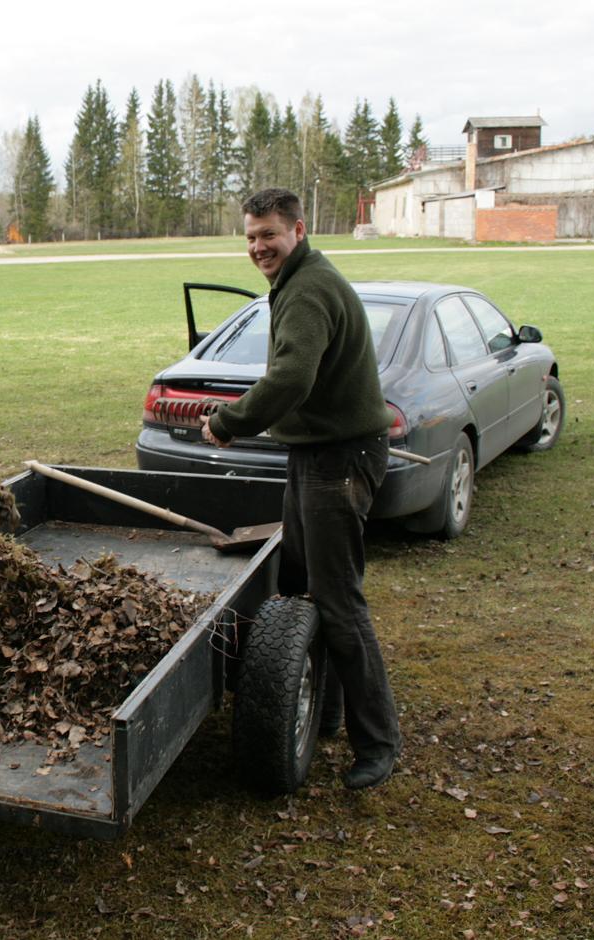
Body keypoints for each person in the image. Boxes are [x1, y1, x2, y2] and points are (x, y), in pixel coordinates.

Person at [201, 188, 401, 790]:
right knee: (298, 584)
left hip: (340, 460)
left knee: (339, 601)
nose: (259, 247)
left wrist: (229, 423)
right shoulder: (297, 280)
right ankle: (328, 710)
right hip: (314, 454)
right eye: (251, 237)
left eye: (270, 235)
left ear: (298, 228)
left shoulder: (309, 287)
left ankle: (379, 743)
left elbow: (290, 376)